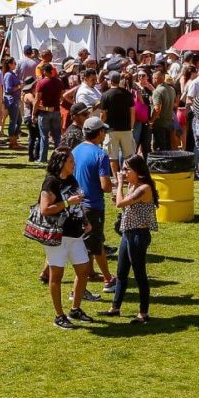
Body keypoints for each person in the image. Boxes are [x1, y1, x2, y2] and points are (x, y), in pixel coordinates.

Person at [38, 145, 96, 329]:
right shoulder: (51, 182)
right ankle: (59, 315)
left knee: (84, 270)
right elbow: (45, 209)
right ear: (61, 162)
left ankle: (75, 309)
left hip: (75, 235)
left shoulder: (71, 179)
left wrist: (85, 220)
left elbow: (77, 203)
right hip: (57, 236)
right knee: (57, 276)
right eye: (71, 161)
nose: (74, 164)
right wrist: (66, 203)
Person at [101, 153, 158, 324]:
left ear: (138, 171)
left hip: (138, 236)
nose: (124, 172)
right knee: (121, 273)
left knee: (140, 274)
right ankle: (115, 308)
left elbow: (121, 204)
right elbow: (124, 206)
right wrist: (118, 195)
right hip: (128, 233)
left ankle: (143, 313)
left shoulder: (144, 188)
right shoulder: (134, 186)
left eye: (127, 169)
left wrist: (118, 186)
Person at [73, 118, 116, 291]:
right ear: (98, 133)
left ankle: (90, 273)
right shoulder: (100, 154)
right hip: (93, 206)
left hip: (76, 204)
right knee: (96, 244)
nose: (105, 134)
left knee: (86, 243)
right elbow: (105, 186)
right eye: (103, 131)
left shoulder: (75, 150)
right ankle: (108, 279)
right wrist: (116, 184)